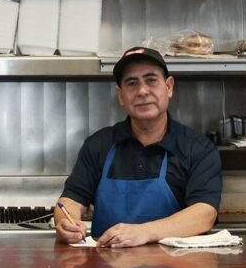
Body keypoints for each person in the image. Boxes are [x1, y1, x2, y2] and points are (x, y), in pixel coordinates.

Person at [54, 47, 221, 248]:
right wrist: (65, 221)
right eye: (132, 83)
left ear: (169, 87)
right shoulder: (99, 145)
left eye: (151, 80)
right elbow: (70, 200)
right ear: (121, 95)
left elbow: (204, 214)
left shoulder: (198, 149)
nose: (142, 91)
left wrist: (143, 232)